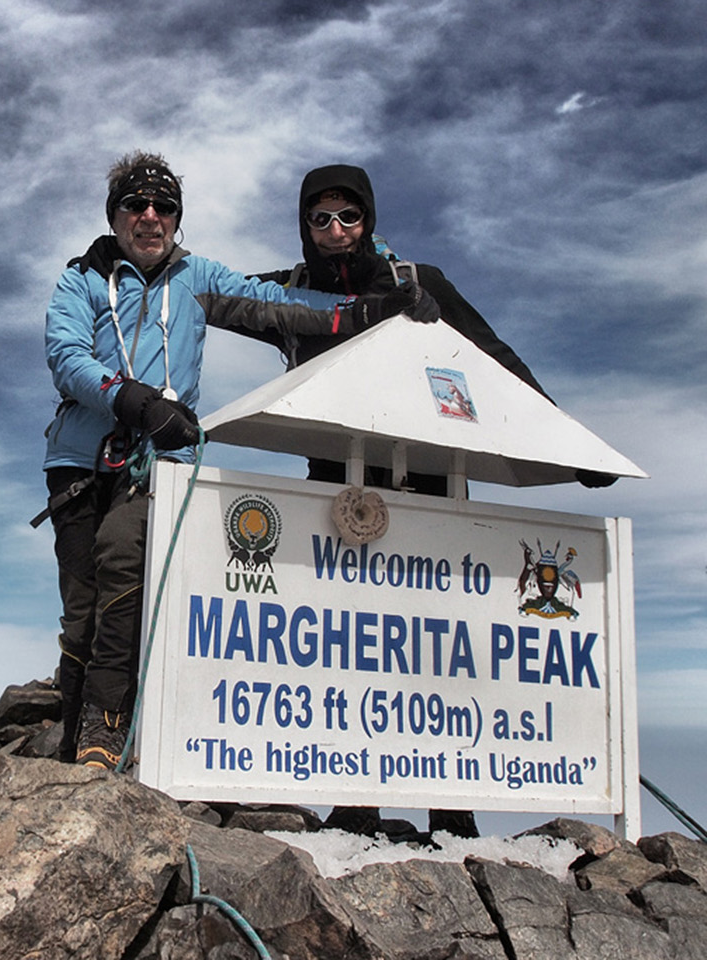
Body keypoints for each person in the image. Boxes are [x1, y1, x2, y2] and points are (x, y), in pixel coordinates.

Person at [40, 152, 438, 770]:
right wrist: (132, 399)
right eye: (135, 205)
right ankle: (72, 737)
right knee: (82, 603)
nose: (150, 217)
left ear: (177, 218)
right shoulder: (82, 280)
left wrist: (368, 310)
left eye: (164, 206)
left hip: (157, 460)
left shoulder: (195, 276)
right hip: (79, 463)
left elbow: (274, 302)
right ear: (114, 216)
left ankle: (107, 726)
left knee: (123, 563)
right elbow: (66, 356)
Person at [249, 163, 603, 839]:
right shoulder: (289, 294)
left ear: (369, 219)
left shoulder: (418, 282)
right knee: (343, 642)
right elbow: (205, 291)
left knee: (438, 639)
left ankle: (451, 805)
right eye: (319, 219)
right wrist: (120, 263)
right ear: (304, 227)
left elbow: (495, 356)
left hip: (430, 486)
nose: (334, 230)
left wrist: (569, 443)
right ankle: (353, 800)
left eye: (348, 216)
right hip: (337, 492)